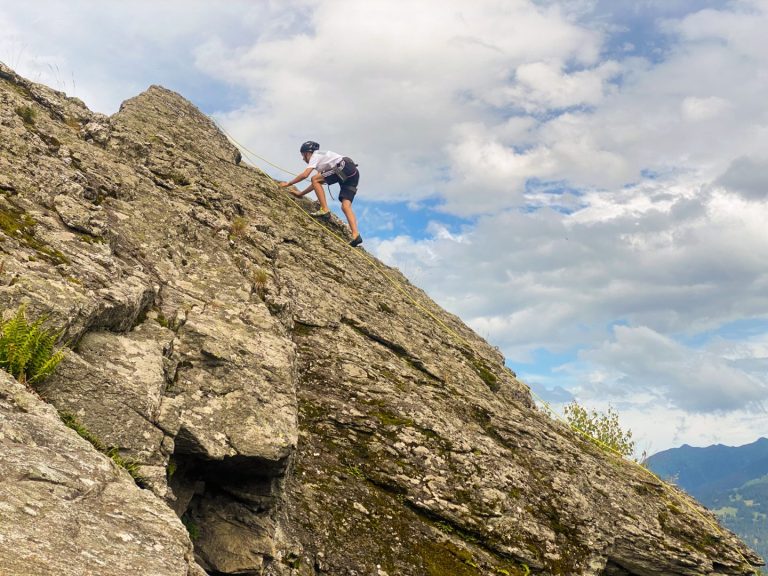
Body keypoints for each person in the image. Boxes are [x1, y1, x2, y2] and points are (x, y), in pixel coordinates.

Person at [279, 141, 363, 247]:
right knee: (345, 206)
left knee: (314, 178)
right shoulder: (324, 158)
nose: (303, 159)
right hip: (353, 173)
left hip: (344, 166)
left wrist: (288, 184)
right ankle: (356, 235)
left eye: (303, 155)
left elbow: (306, 175)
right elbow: (316, 183)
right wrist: (301, 193)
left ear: (307, 153)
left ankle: (324, 209)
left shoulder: (315, 155)